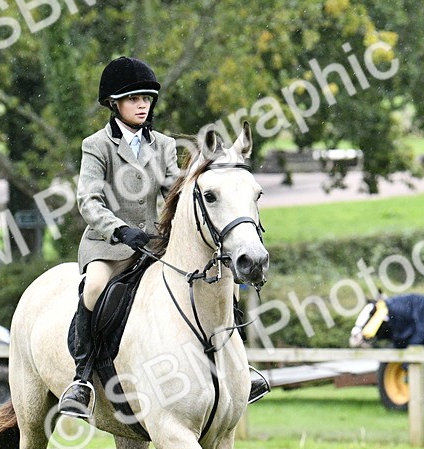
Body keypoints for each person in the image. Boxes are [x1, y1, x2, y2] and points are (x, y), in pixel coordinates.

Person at [59, 56, 268, 418]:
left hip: (155, 242)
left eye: (146, 98)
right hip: (109, 244)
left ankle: (239, 370)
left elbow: (176, 189)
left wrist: (209, 176)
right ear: (114, 104)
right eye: (133, 99)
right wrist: (120, 229)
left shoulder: (164, 145)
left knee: (226, 282)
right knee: (93, 287)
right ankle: (81, 379)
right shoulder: (96, 146)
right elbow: (88, 200)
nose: (142, 105)